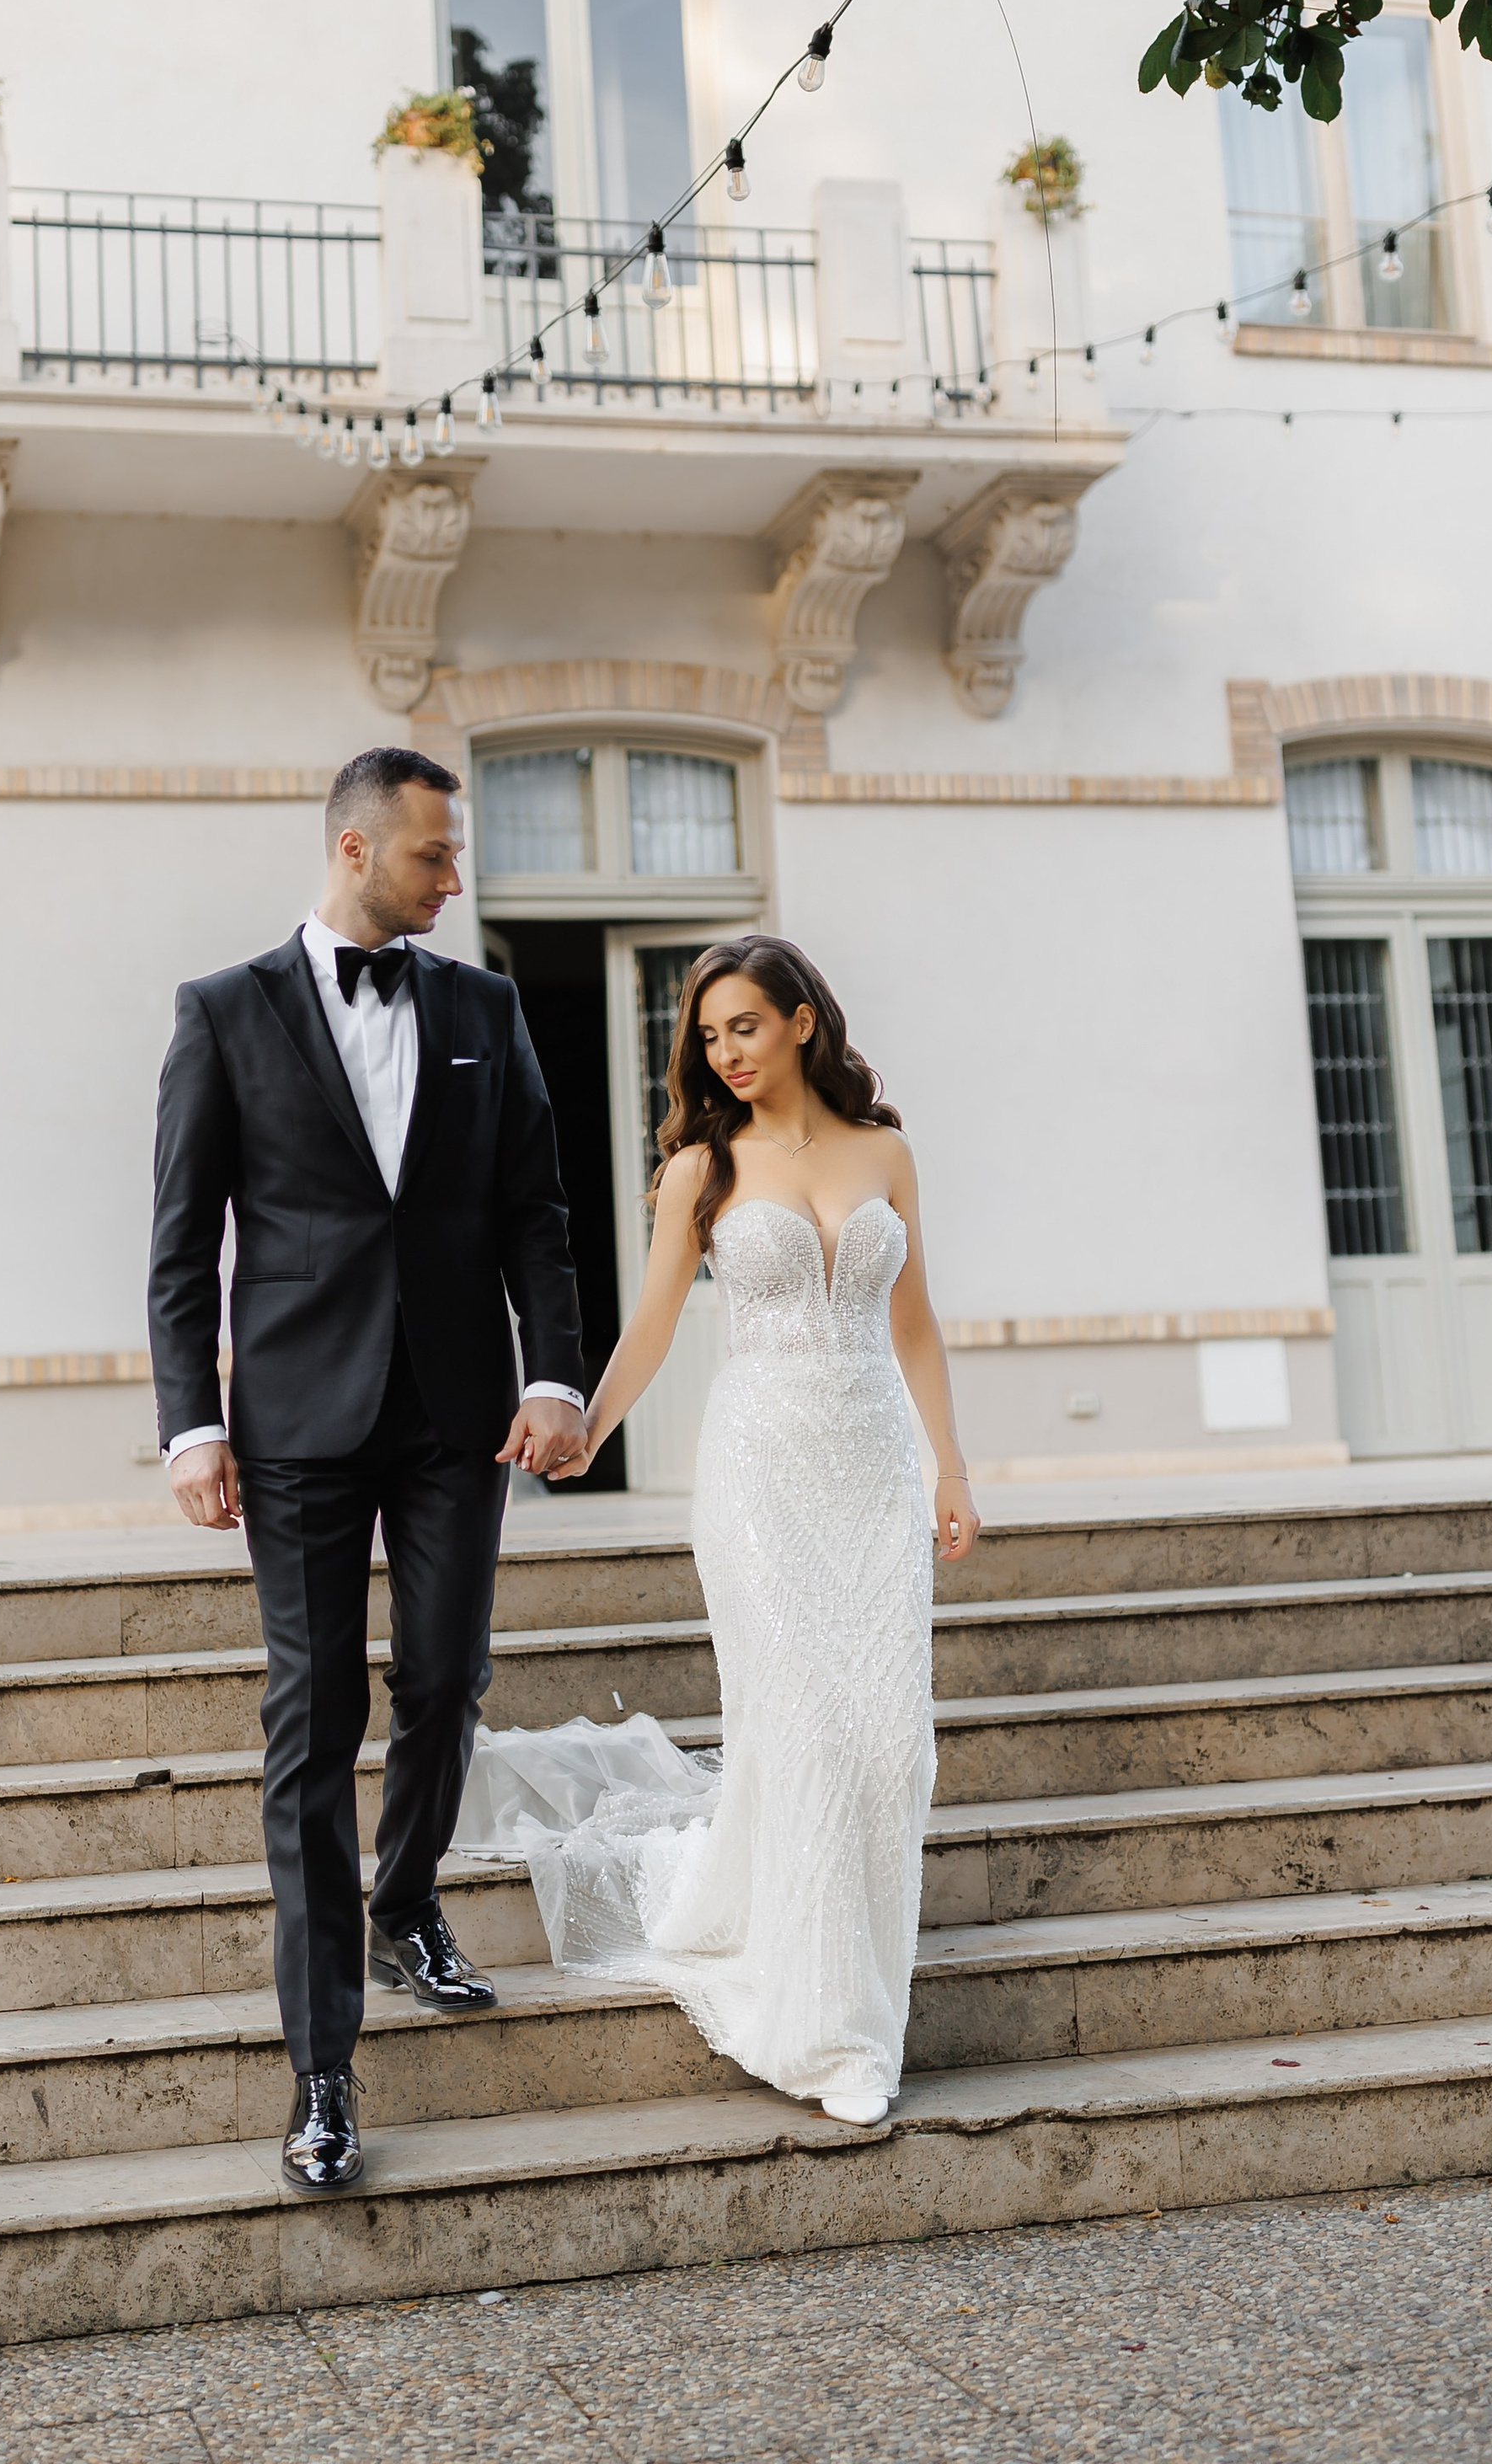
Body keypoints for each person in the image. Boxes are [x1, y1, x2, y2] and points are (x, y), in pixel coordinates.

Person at [147, 745, 586, 2192]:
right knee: (315, 1710)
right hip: (293, 1420)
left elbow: (537, 1209)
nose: (455, 880)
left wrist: (550, 1371)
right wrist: (191, 1425)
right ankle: (322, 2071)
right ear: (352, 850)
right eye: (431, 858)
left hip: (460, 1408)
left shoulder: (485, 1004)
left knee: (448, 1677)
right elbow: (182, 1245)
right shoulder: (223, 1014)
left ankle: (405, 1906)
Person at [460, 933, 980, 2128]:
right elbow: (648, 1325)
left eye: (744, 1025)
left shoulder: (886, 1152)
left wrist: (953, 1465)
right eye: (707, 1035)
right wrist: (584, 1425)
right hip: (759, 1479)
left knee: (890, 1748)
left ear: (802, 1020)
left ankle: (856, 1984)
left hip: (875, 1478)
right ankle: (822, 2027)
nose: (725, 1051)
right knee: (800, 1735)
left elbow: (915, 1325)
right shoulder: (703, 1166)